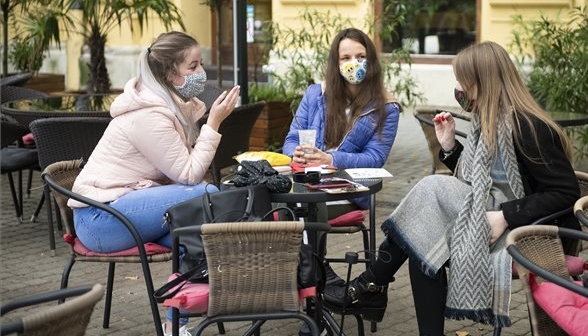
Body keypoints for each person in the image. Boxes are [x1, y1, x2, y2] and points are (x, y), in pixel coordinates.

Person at [324, 41, 580, 335]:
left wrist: (505, 215)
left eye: (462, 79)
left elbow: (566, 194)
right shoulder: (489, 121)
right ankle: (371, 286)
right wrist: (450, 147)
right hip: (489, 216)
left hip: (529, 232)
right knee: (422, 242)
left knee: (430, 192)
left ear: (481, 81)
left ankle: (370, 285)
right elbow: (478, 182)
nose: (457, 86)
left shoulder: (529, 127)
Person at [66, 31, 240, 336]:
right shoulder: (149, 115)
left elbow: (179, 175)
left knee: (191, 232)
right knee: (208, 196)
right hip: (100, 219)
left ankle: (175, 326)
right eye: (193, 66)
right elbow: (188, 176)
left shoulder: (172, 105)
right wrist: (213, 123)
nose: (202, 74)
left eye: (201, 65)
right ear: (170, 74)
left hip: (125, 209)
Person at [283, 27, 401, 217]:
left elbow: (375, 159)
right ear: (336, 63)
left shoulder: (387, 107)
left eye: (361, 56)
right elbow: (291, 140)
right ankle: (304, 246)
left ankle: (309, 247)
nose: (354, 63)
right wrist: (294, 154)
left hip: (348, 191)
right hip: (307, 182)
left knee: (302, 212)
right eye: (346, 58)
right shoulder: (315, 94)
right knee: (271, 203)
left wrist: (331, 159)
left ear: (371, 61)